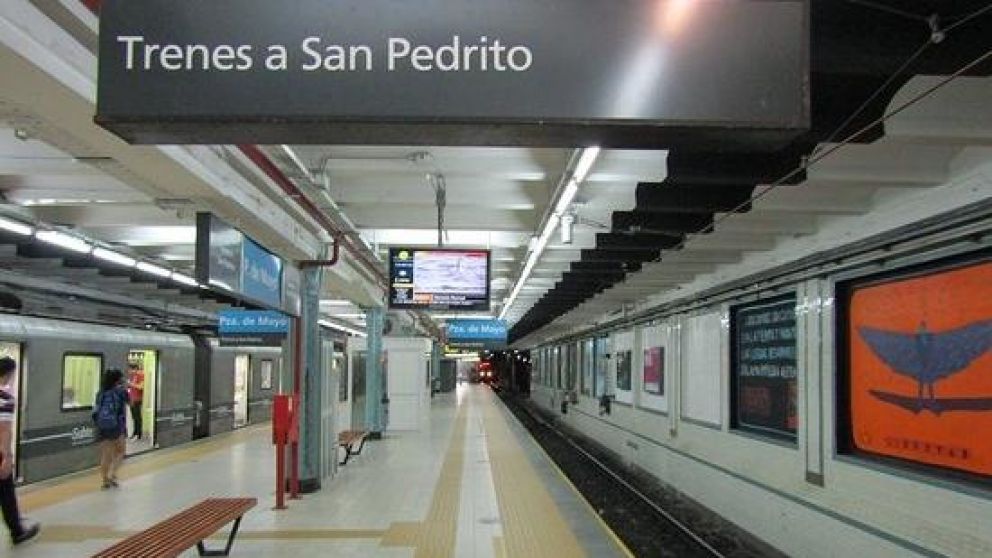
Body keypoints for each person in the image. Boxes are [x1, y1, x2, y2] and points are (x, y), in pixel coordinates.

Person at [0, 357, 39, 545]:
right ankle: (17, 531)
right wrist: (7, 456)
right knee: (6, 492)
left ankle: (16, 527)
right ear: (10, 373)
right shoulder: (6, 398)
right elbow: (4, 429)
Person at [93, 368, 128, 489]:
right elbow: (131, 403)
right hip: (116, 426)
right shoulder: (120, 391)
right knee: (121, 451)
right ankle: (113, 474)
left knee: (105, 455)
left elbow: (96, 408)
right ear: (118, 380)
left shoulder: (101, 392)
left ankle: (104, 481)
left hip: (102, 426)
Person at [127, 362, 145, 440]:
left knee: (137, 417)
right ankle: (135, 433)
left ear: (134, 369)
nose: (129, 371)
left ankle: (138, 434)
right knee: (134, 417)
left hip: (137, 399)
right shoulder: (133, 376)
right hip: (132, 399)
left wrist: (131, 384)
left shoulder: (140, 375)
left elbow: (141, 387)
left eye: (130, 370)